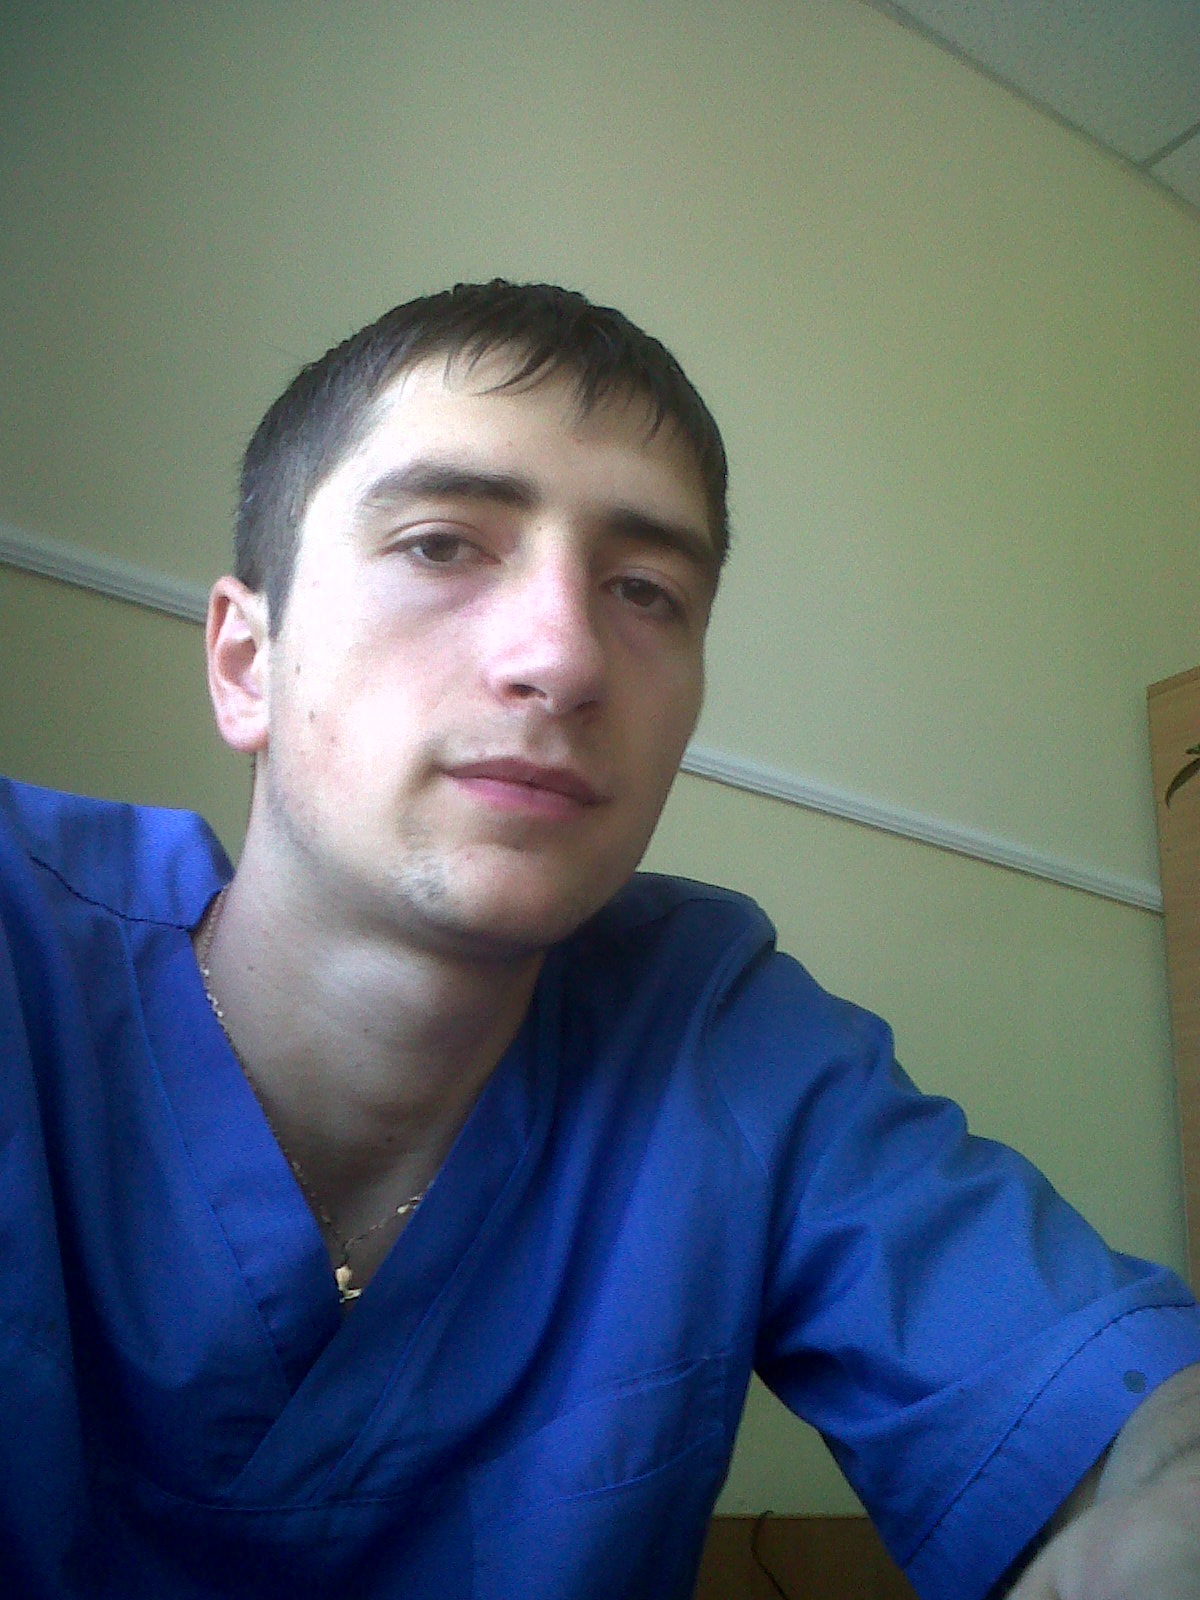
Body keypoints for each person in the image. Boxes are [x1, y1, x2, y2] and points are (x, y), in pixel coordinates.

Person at [2, 281, 1198, 1600]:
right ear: (245, 663)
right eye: (440, 546)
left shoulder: (721, 1036)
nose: (566, 658)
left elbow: (1117, 1408)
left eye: (643, 589)